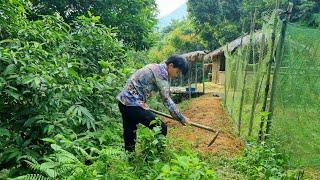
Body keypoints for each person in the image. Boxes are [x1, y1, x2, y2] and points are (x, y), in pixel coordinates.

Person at [117, 55, 191, 152]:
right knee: (161, 128)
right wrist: (182, 118)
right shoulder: (161, 74)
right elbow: (167, 100)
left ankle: (130, 158)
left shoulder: (156, 67)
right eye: (177, 72)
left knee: (130, 132)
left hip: (123, 102)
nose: (176, 75)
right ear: (171, 65)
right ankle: (157, 155)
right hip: (132, 104)